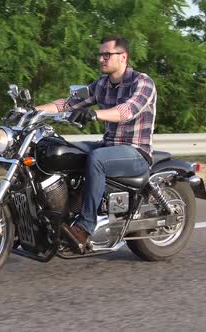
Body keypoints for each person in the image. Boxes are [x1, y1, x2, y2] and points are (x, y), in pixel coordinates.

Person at [37, 35, 157, 248]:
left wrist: (95, 114)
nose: (102, 59)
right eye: (101, 54)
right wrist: (31, 112)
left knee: (97, 159)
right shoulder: (101, 84)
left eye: (107, 55)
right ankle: (56, 216)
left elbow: (127, 110)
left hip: (136, 152)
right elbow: (69, 102)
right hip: (109, 146)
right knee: (60, 150)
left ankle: (84, 227)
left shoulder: (142, 82)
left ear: (123, 57)